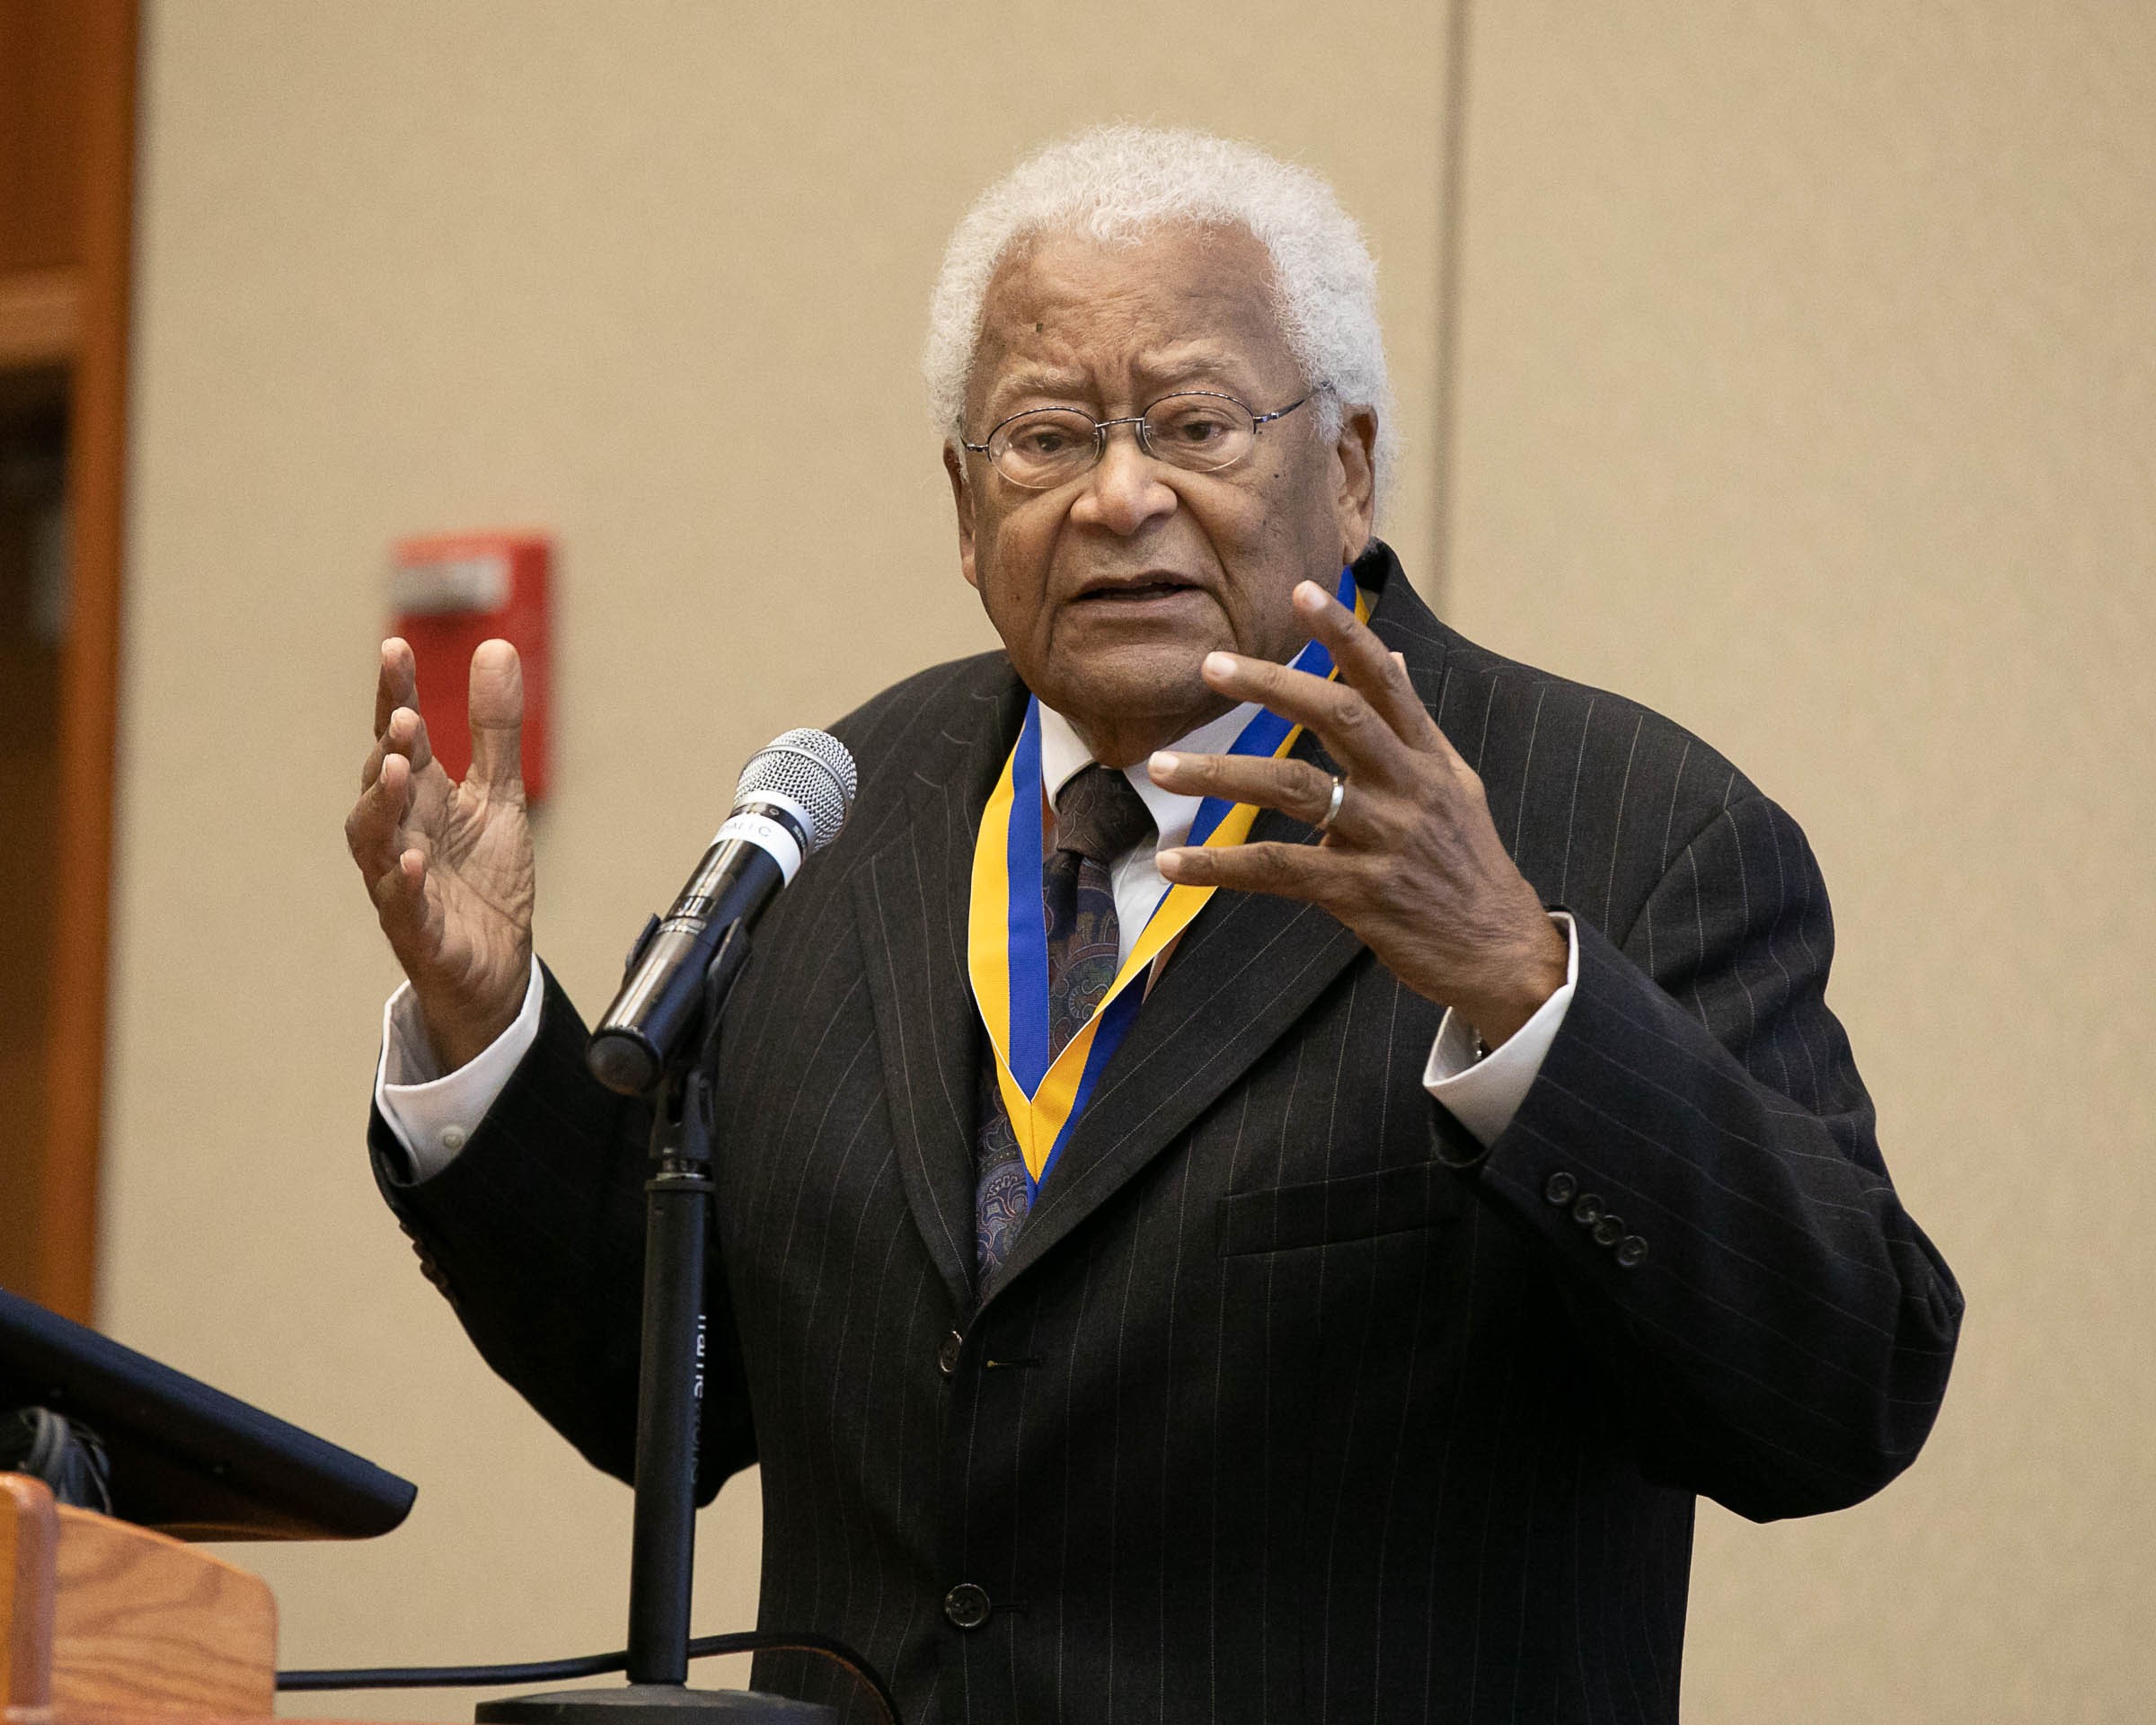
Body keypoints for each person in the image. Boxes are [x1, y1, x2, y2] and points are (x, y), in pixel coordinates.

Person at [346, 127, 1961, 1724]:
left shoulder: (1624, 824)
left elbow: (1839, 1391)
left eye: (1195, 422)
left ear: (1346, 469)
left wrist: (1527, 993)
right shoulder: (849, 808)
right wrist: (492, 1035)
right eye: (1045, 438)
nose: (1121, 497)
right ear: (966, 513)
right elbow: (668, 1387)